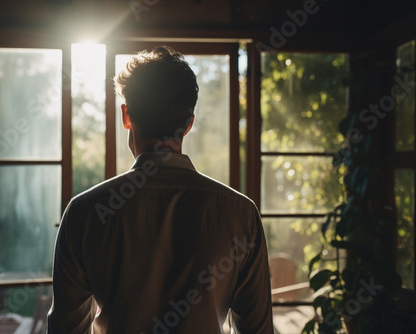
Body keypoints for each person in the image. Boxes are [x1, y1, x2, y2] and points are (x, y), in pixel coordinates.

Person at [47, 46, 273, 334]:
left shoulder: (84, 212)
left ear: (126, 116)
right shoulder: (241, 214)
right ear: (188, 124)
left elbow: (65, 330)